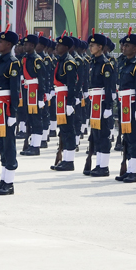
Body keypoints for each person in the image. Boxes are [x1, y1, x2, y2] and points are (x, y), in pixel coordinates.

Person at [0, 30, 22, 196]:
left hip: (6, 108)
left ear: (9, 44)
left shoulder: (13, 63)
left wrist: (13, 114)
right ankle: (3, 179)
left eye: (1, 42)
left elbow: (15, 90)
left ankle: (9, 182)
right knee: (0, 144)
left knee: (8, 144)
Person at [113, 32, 136, 183]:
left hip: (132, 105)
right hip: (124, 104)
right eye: (124, 45)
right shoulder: (124, 63)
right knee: (126, 137)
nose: (124, 48)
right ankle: (128, 169)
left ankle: (134, 171)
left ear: (135, 49)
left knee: (134, 138)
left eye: (127, 46)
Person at [84, 32, 116, 177]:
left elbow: (109, 87)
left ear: (100, 47)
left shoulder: (106, 65)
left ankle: (104, 166)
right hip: (94, 102)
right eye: (90, 45)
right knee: (96, 134)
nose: (90, 48)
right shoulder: (93, 63)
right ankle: (98, 164)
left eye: (93, 45)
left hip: (102, 103)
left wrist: (108, 107)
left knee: (104, 134)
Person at [51, 34, 81, 171]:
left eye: (60, 45)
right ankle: (64, 159)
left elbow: (72, 85)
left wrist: (70, 103)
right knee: (63, 129)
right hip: (60, 98)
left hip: (66, 99)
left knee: (69, 130)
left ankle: (69, 161)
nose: (56, 46)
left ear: (67, 47)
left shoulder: (69, 63)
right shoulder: (61, 61)